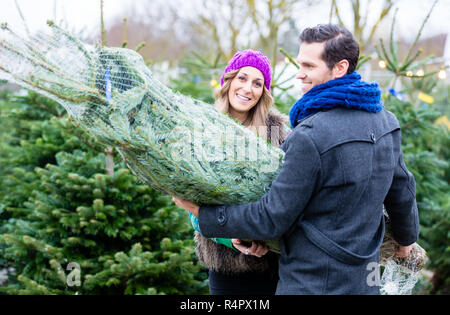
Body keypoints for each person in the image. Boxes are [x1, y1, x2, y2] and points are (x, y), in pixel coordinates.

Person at [173, 24, 420, 294]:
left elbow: (272, 216)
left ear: (339, 68)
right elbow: (402, 191)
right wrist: (406, 240)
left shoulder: (308, 135)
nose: (299, 74)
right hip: (365, 282)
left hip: (309, 282)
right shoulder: (387, 122)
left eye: (309, 66)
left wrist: (205, 215)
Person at [185, 49, 289, 295]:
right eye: (242, 78)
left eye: (257, 83)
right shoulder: (205, 130)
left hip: (273, 265)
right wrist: (229, 236)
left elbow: (287, 195)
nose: (247, 88)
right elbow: (191, 207)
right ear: (228, 81)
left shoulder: (277, 133)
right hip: (226, 267)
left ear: (264, 92)